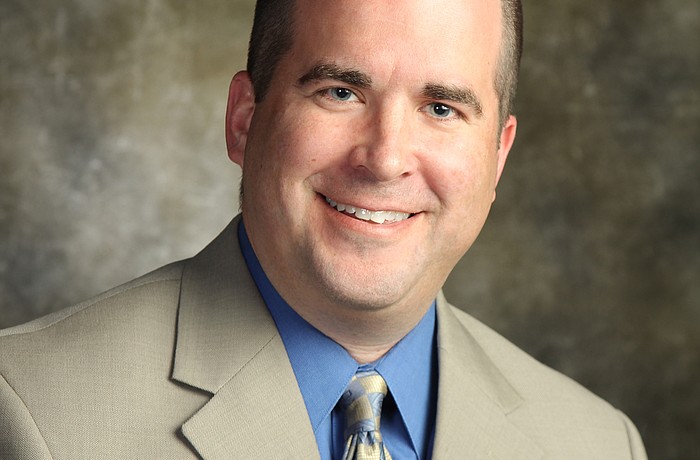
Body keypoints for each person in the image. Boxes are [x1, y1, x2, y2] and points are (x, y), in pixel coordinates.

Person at [0, 0, 647, 458]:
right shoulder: (33, 412)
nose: (385, 159)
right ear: (244, 120)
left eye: (441, 108)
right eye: (340, 92)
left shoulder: (597, 444)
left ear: (498, 156)